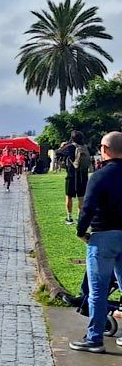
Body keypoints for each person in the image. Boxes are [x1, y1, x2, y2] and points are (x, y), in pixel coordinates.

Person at [69, 132, 122, 353]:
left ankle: (94, 337)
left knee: (98, 290)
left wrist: (81, 232)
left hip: (103, 236)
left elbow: (87, 208)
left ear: (105, 149)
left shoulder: (99, 177)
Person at [61, 130, 91, 224]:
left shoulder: (70, 147)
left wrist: (62, 146)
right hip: (83, 175)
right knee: (81, 197)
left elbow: (58, 153)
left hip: (72, 175)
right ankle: (79, 217)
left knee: (69, 196)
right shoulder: (86, 147)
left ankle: (69, 218)